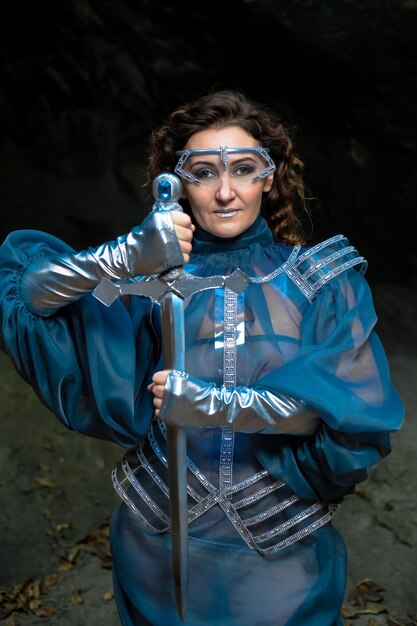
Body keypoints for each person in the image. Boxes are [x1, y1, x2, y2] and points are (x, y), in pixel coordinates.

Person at [0, 89, 404, 626]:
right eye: (202, 172)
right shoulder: (145, 281)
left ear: (271, 175)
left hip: (279, 555)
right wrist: (119, 258)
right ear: (178, 181)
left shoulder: (321, 281)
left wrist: (213, 404)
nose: (224, 192)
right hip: (154, 543)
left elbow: (343, 407)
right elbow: (28, 298)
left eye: (243, 168)